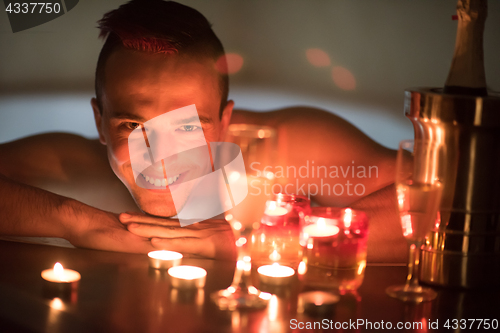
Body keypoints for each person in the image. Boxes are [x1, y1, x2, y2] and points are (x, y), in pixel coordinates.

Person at [0, 0, 405, 262]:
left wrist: (270, 238)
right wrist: (74, 219)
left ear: (226, 121)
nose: (160, 153)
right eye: (133, 125)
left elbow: (441, 197)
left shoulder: (287, 147)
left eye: (187, 125)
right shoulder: (70, 166)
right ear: (99, 122)